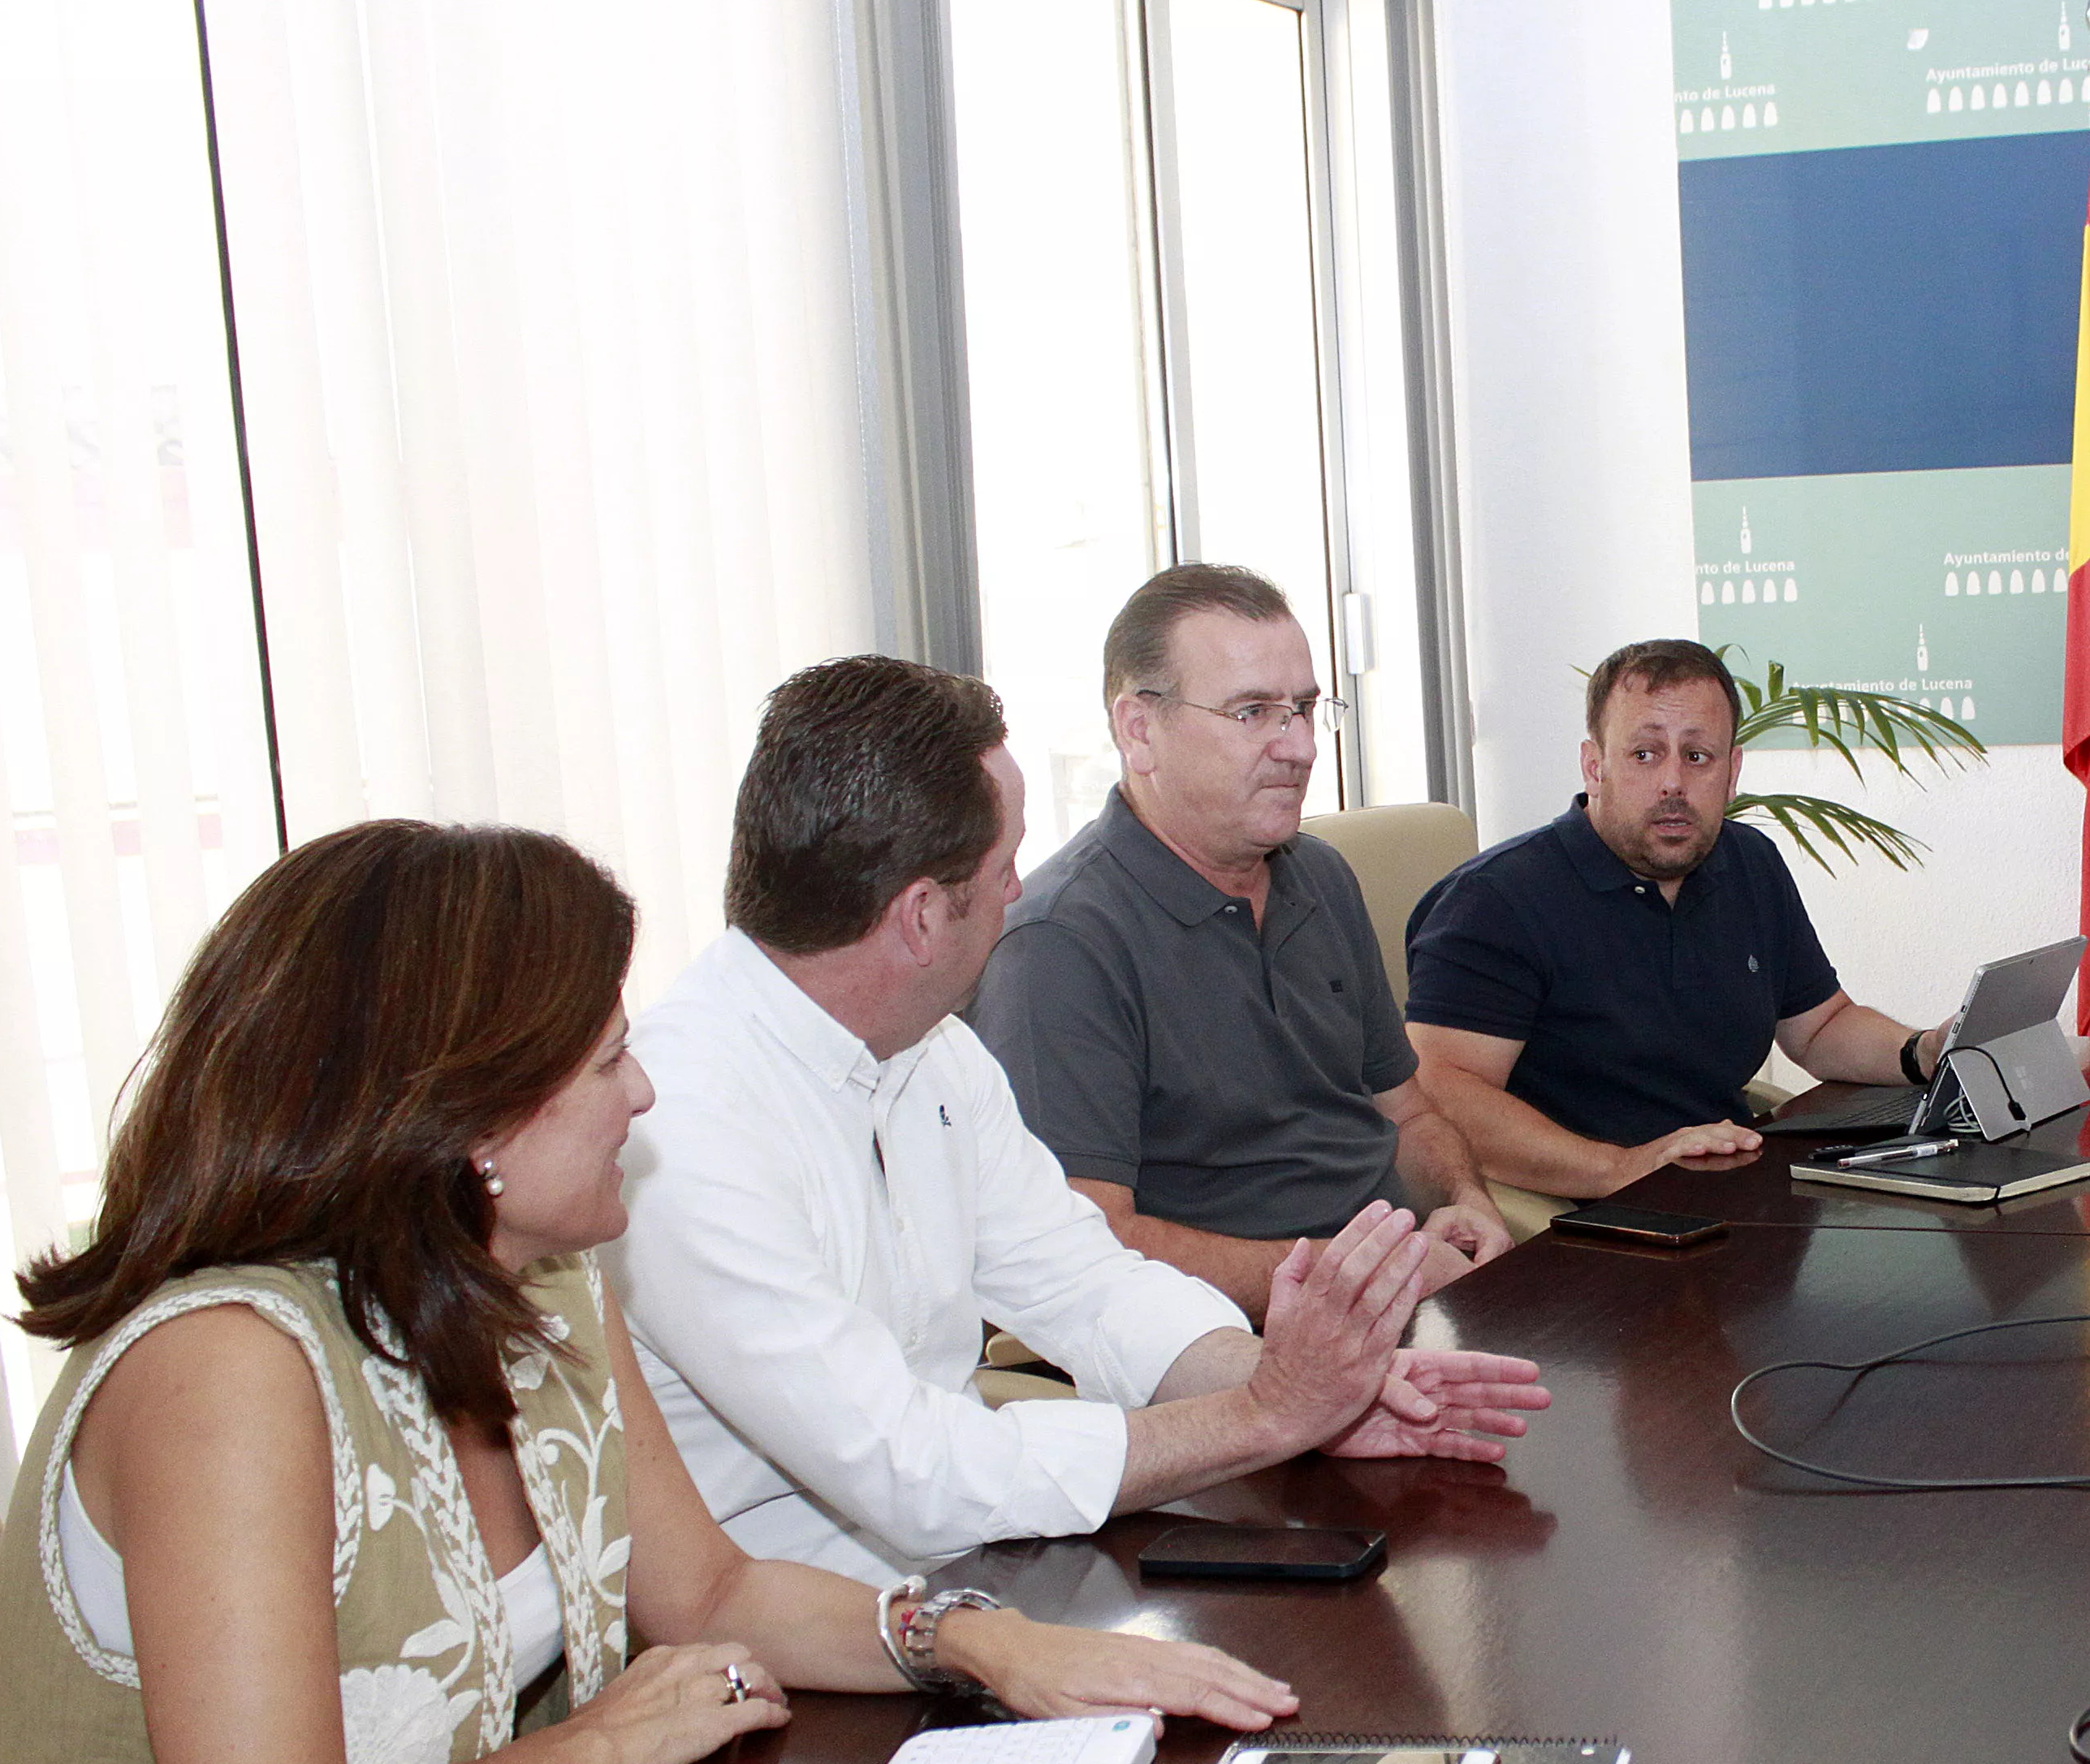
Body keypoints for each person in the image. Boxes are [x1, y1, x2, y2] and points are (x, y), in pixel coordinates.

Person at [0, 822, 1306, 1764]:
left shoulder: (542, 1279)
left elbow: (705, 1592)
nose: (644, 1096)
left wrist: (980, 1640)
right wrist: (601, 1743)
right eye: (605, 1060)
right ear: (469, 1120)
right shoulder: (227, 1371)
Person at [617, 656, 1547, 1589]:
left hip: (976, 1574)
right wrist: (1262, 1415)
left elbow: (1086, 1284)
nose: (1021, 890)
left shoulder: (931, 1050)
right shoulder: (679, 1123)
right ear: (922, 917)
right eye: (1005, 862)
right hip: (803, 1649)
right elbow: (911, 1469)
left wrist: (1311, 1389)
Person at [971, 563, 1508, 1315]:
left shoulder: (1321, 877)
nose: (1300, 748)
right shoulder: (1060, 943)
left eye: (1306, 709)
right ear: (1139, 730)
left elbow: (1408, 1115)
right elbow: (1085, 1249)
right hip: (1228, 1352)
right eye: (1253, 713)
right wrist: (1354, 1277)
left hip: (1398, 1294)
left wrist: (1464, 1201)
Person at [1403, 637, 1950, 1200]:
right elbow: (1439, 1091)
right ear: (1595, 766)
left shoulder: (1749, 864)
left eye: (1697, 756)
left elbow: (1819, 1028)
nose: (1673, 784)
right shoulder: (1497, 901)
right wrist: (1618, 1168)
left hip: (1726, 1188)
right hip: (1581, 1216)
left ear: (1731, 771)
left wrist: (1924, 1051)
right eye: (1645, 754)